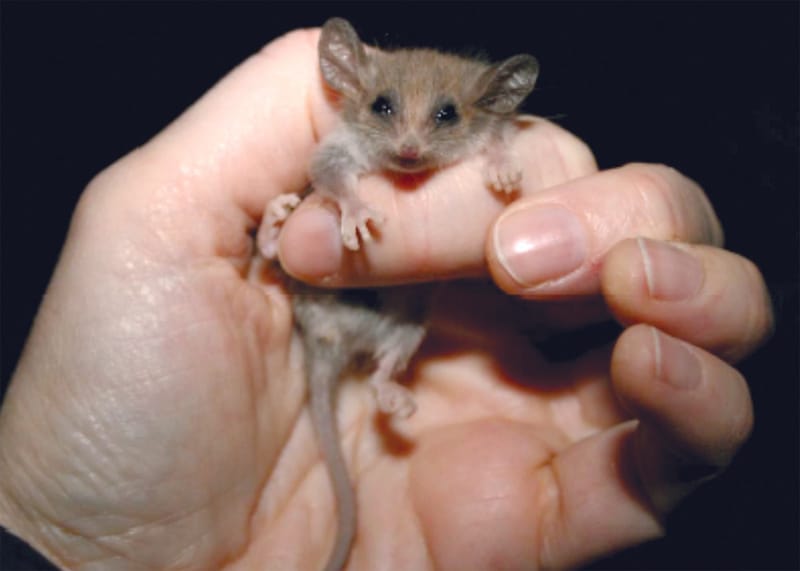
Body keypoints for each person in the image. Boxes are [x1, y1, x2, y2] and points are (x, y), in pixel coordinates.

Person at [0, 26, 773, 570]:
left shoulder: (488, 132)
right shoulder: (344, 127)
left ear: (484, 108)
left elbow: (498, 142)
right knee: (332, 251)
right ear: (350, 87)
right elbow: (329, 165)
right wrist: (341, 204)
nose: (407, 142)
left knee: (419, 298)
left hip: (389, 327)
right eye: (384, 111)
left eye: (442, 117)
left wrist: (503, 161)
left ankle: (385, 373)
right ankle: (320, 299)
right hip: (311, 312)